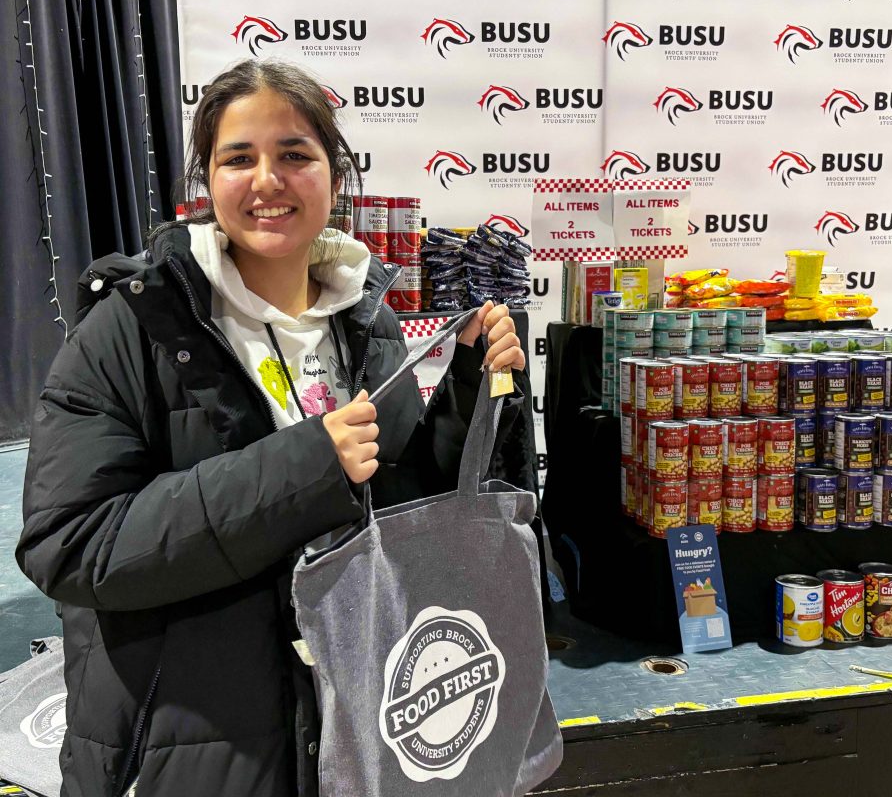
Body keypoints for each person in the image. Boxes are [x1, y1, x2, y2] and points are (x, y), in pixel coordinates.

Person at [17, 59, 527, 796]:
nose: (267, 180)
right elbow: (71, 547)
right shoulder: (131, 330)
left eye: (295, 155)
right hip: (189, 755)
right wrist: (305, 468)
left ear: (333, 174)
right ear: (206, 181)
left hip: (353, 736)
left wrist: (469, 392)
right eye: (239, 158)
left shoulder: (367, 325)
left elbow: (399, 515)